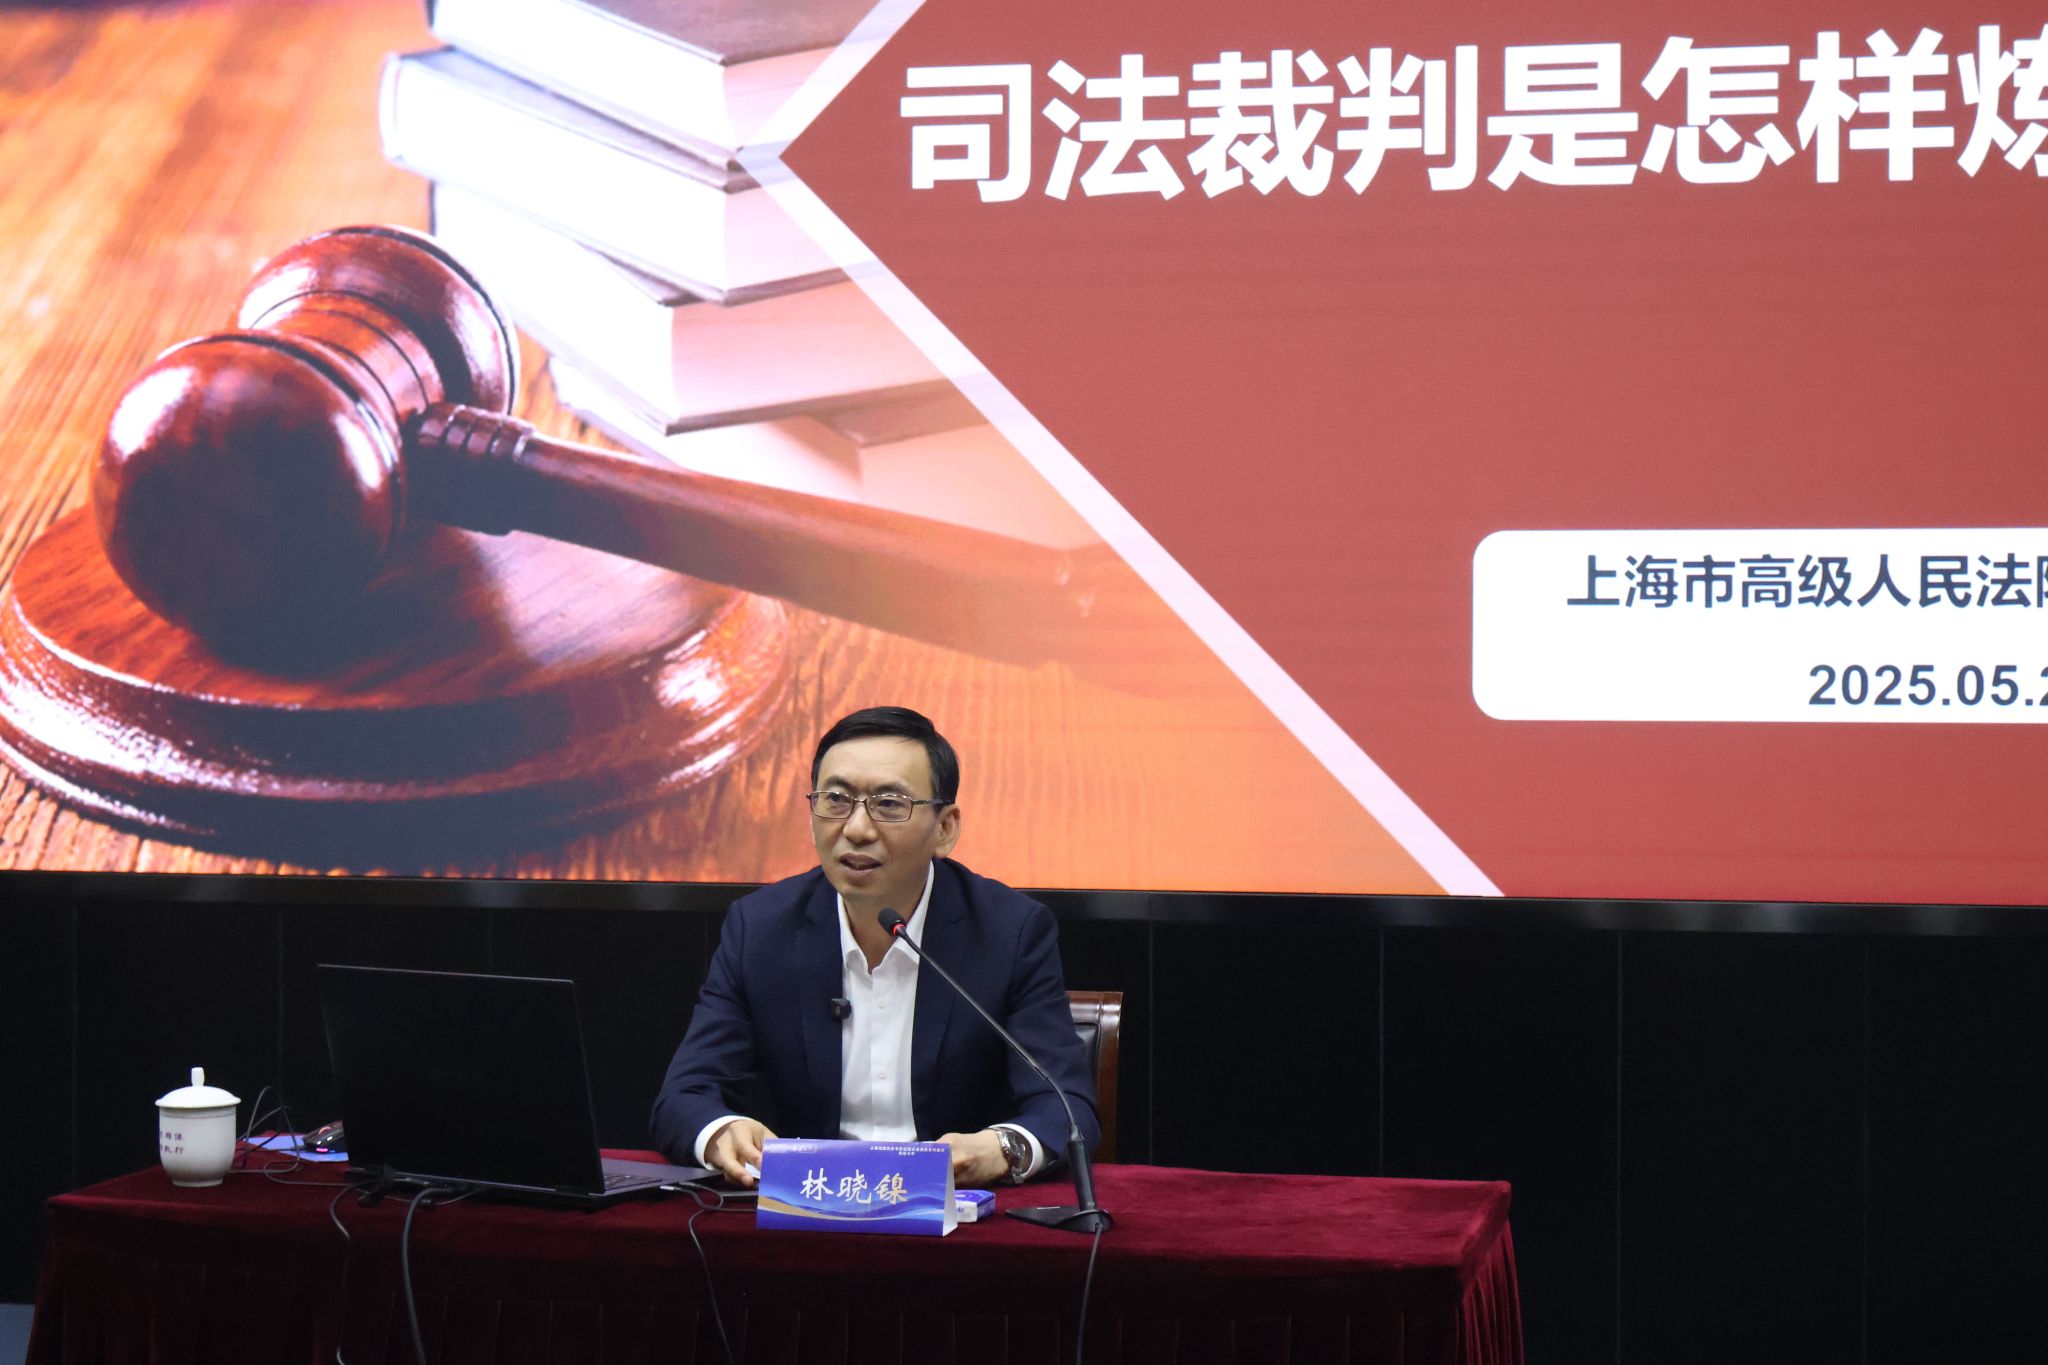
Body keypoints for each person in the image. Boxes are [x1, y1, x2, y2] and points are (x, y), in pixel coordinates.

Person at [650, 706, 1100, 1188]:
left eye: (889, 804)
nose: (857, 829)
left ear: (945, 827)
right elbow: (684, 1096)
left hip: (952, 1211)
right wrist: (722, 1132)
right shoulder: (760, 929)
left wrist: (1000, 1149)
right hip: (810, 1207)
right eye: (836, 799)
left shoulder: (1008, 932)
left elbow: (1066, 1105)